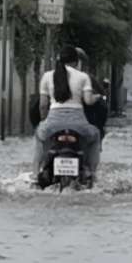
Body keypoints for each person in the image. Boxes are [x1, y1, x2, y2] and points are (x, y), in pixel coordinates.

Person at [36, 45, 103, 177]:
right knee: (96, 135)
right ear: (76, 62)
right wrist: (97, 97)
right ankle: (92, 172)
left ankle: (35, 171)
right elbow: (88, 101)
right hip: (78, 124)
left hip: (53, 123)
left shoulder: (47, 76)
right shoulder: (83, 77)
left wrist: (44, 121)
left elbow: (43, 105)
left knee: (39, 135)